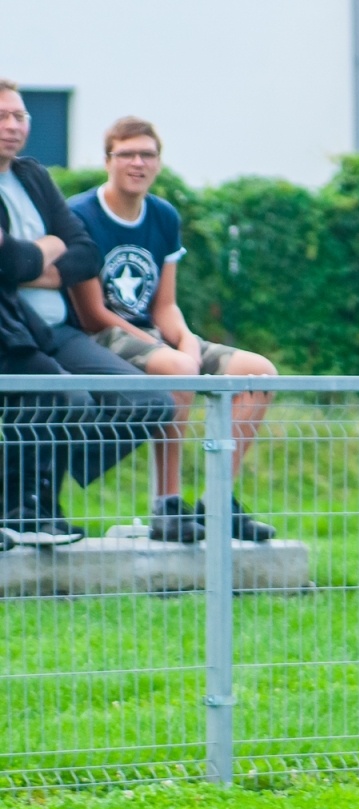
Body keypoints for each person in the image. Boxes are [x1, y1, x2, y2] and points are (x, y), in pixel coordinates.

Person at [67, 117, 276, 542]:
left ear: (158, 162)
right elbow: (91, 313)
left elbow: (164, 305)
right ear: (108, 160)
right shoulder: (81, 215)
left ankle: (217, 499)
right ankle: (167, 504)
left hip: (154, 333)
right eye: (127, 154)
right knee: (176, 369)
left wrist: (184, 343)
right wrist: (173, 355)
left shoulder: (163, 216)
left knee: (258, 373)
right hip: (100, 335)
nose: (138, 163)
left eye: (147, 154)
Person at [0, 79, 173, 545]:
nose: (13, 126)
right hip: (12, 331)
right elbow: (11, 262)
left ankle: (36, 494)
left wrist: (38, 258)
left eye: (20, 117)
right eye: (3, 117)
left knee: (151, 400)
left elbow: (85, 254)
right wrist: (47, 252)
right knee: (67, 398)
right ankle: (31, 507)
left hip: (58, 328)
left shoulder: (32, 176)